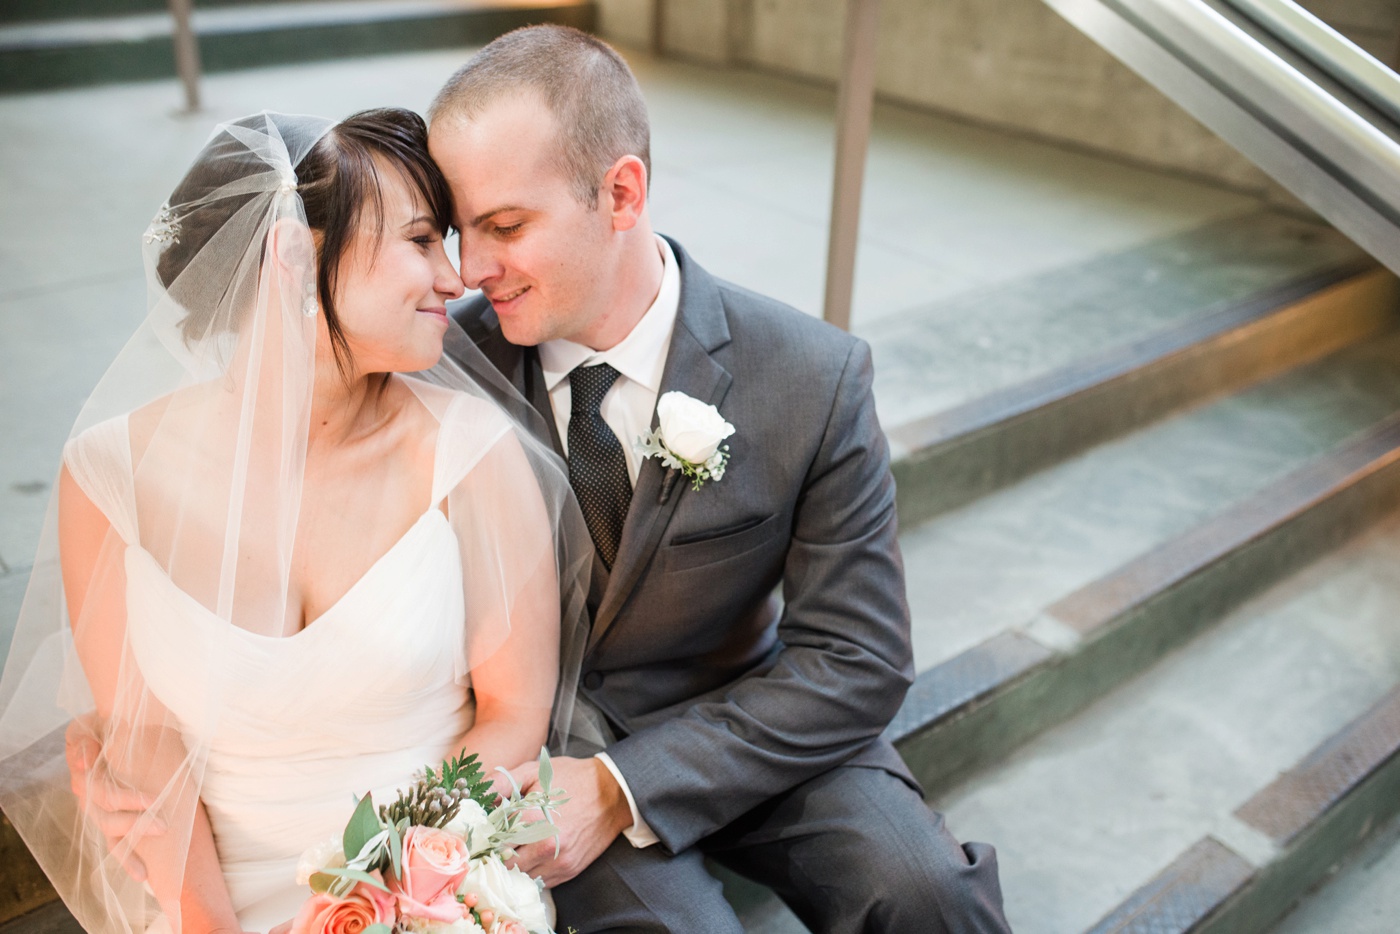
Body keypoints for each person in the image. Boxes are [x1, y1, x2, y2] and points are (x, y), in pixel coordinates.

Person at [428, 25, 1011, 933]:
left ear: (621, 193)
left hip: (754, 724)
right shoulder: (446, 366)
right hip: (545, 752)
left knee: (926, 894)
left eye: (505, 227)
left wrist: (627, 787)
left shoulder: (811, 377)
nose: (471, 269)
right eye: (461, 230)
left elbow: (859, 658)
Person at [0, 108, 595, 933]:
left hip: (429, 890)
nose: (454, 280)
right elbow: (143, 749)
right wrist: (209, 924)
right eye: (421, 242)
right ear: (291, 256)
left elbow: (512, 720)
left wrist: (384, 899)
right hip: (205, 896)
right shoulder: (107, 478)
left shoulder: (473, 455)